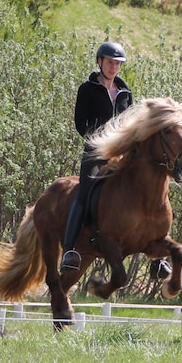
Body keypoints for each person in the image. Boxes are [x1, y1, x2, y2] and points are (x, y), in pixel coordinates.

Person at [59, 41, 134, 273]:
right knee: (85, 192)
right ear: (100, 62)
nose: (114, 67)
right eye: (110, 63)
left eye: (117, 64)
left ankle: (157, 254)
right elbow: (81, 124)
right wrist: (102, 141)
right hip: (95, 153)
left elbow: (131, 123)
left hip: (121, 155)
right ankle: (70, 249)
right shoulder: (87, 89)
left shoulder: (125, 92)